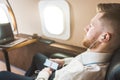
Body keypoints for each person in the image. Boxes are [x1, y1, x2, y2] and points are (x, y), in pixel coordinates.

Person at [25, 3, 120, 80]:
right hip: (61, 69)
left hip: (49, 77)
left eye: (91, 26)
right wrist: (63, 61)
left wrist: (44, 74)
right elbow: (80, 60)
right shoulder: (97, 53)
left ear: (104, 37)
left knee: (9, 75)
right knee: (37, 57)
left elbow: (77, 70)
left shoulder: (81, 73)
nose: (85, 28)